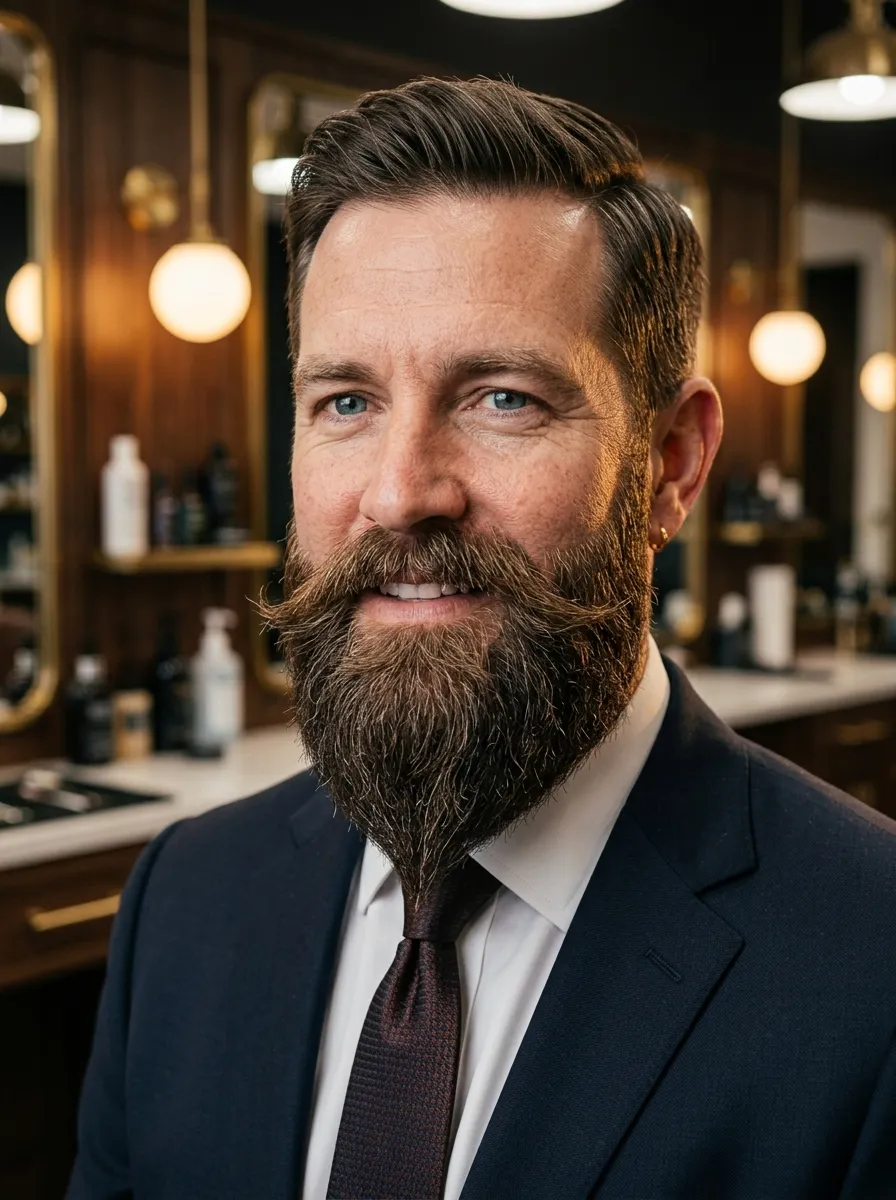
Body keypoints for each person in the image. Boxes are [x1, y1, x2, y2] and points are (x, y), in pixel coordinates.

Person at [68, 77, 896, 1200]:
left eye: (501, 398)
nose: (402, 492)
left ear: (670, 463)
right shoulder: (188, 900)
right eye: (345, 402)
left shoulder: (869, 971)